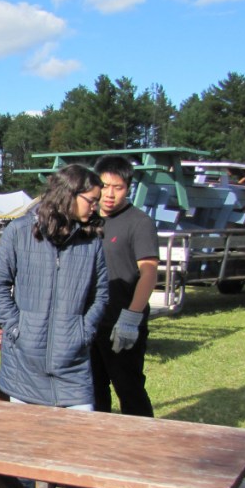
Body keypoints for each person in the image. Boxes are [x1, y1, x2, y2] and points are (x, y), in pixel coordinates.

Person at [0, 163, 109, 410]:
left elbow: (101, 293)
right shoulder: (19, 231)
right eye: (92, 200)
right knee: (27, 444)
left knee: (78, 441)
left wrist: (83, 331)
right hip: (24, 365)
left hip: (73, 366)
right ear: (69, 194)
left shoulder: (91, 240)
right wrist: (17, 328)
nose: (96, 207)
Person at [91, 155, 158, 418]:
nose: (109, 194)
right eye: (104, 186)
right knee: (93, 391)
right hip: (90, 322)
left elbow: (149, 272)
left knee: (129, 390)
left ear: (128, 188)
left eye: (117, 187)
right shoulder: (88, 219)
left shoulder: (139, 222)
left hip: (121, 323)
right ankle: (99, 447)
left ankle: (142, 448)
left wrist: (131, 317)